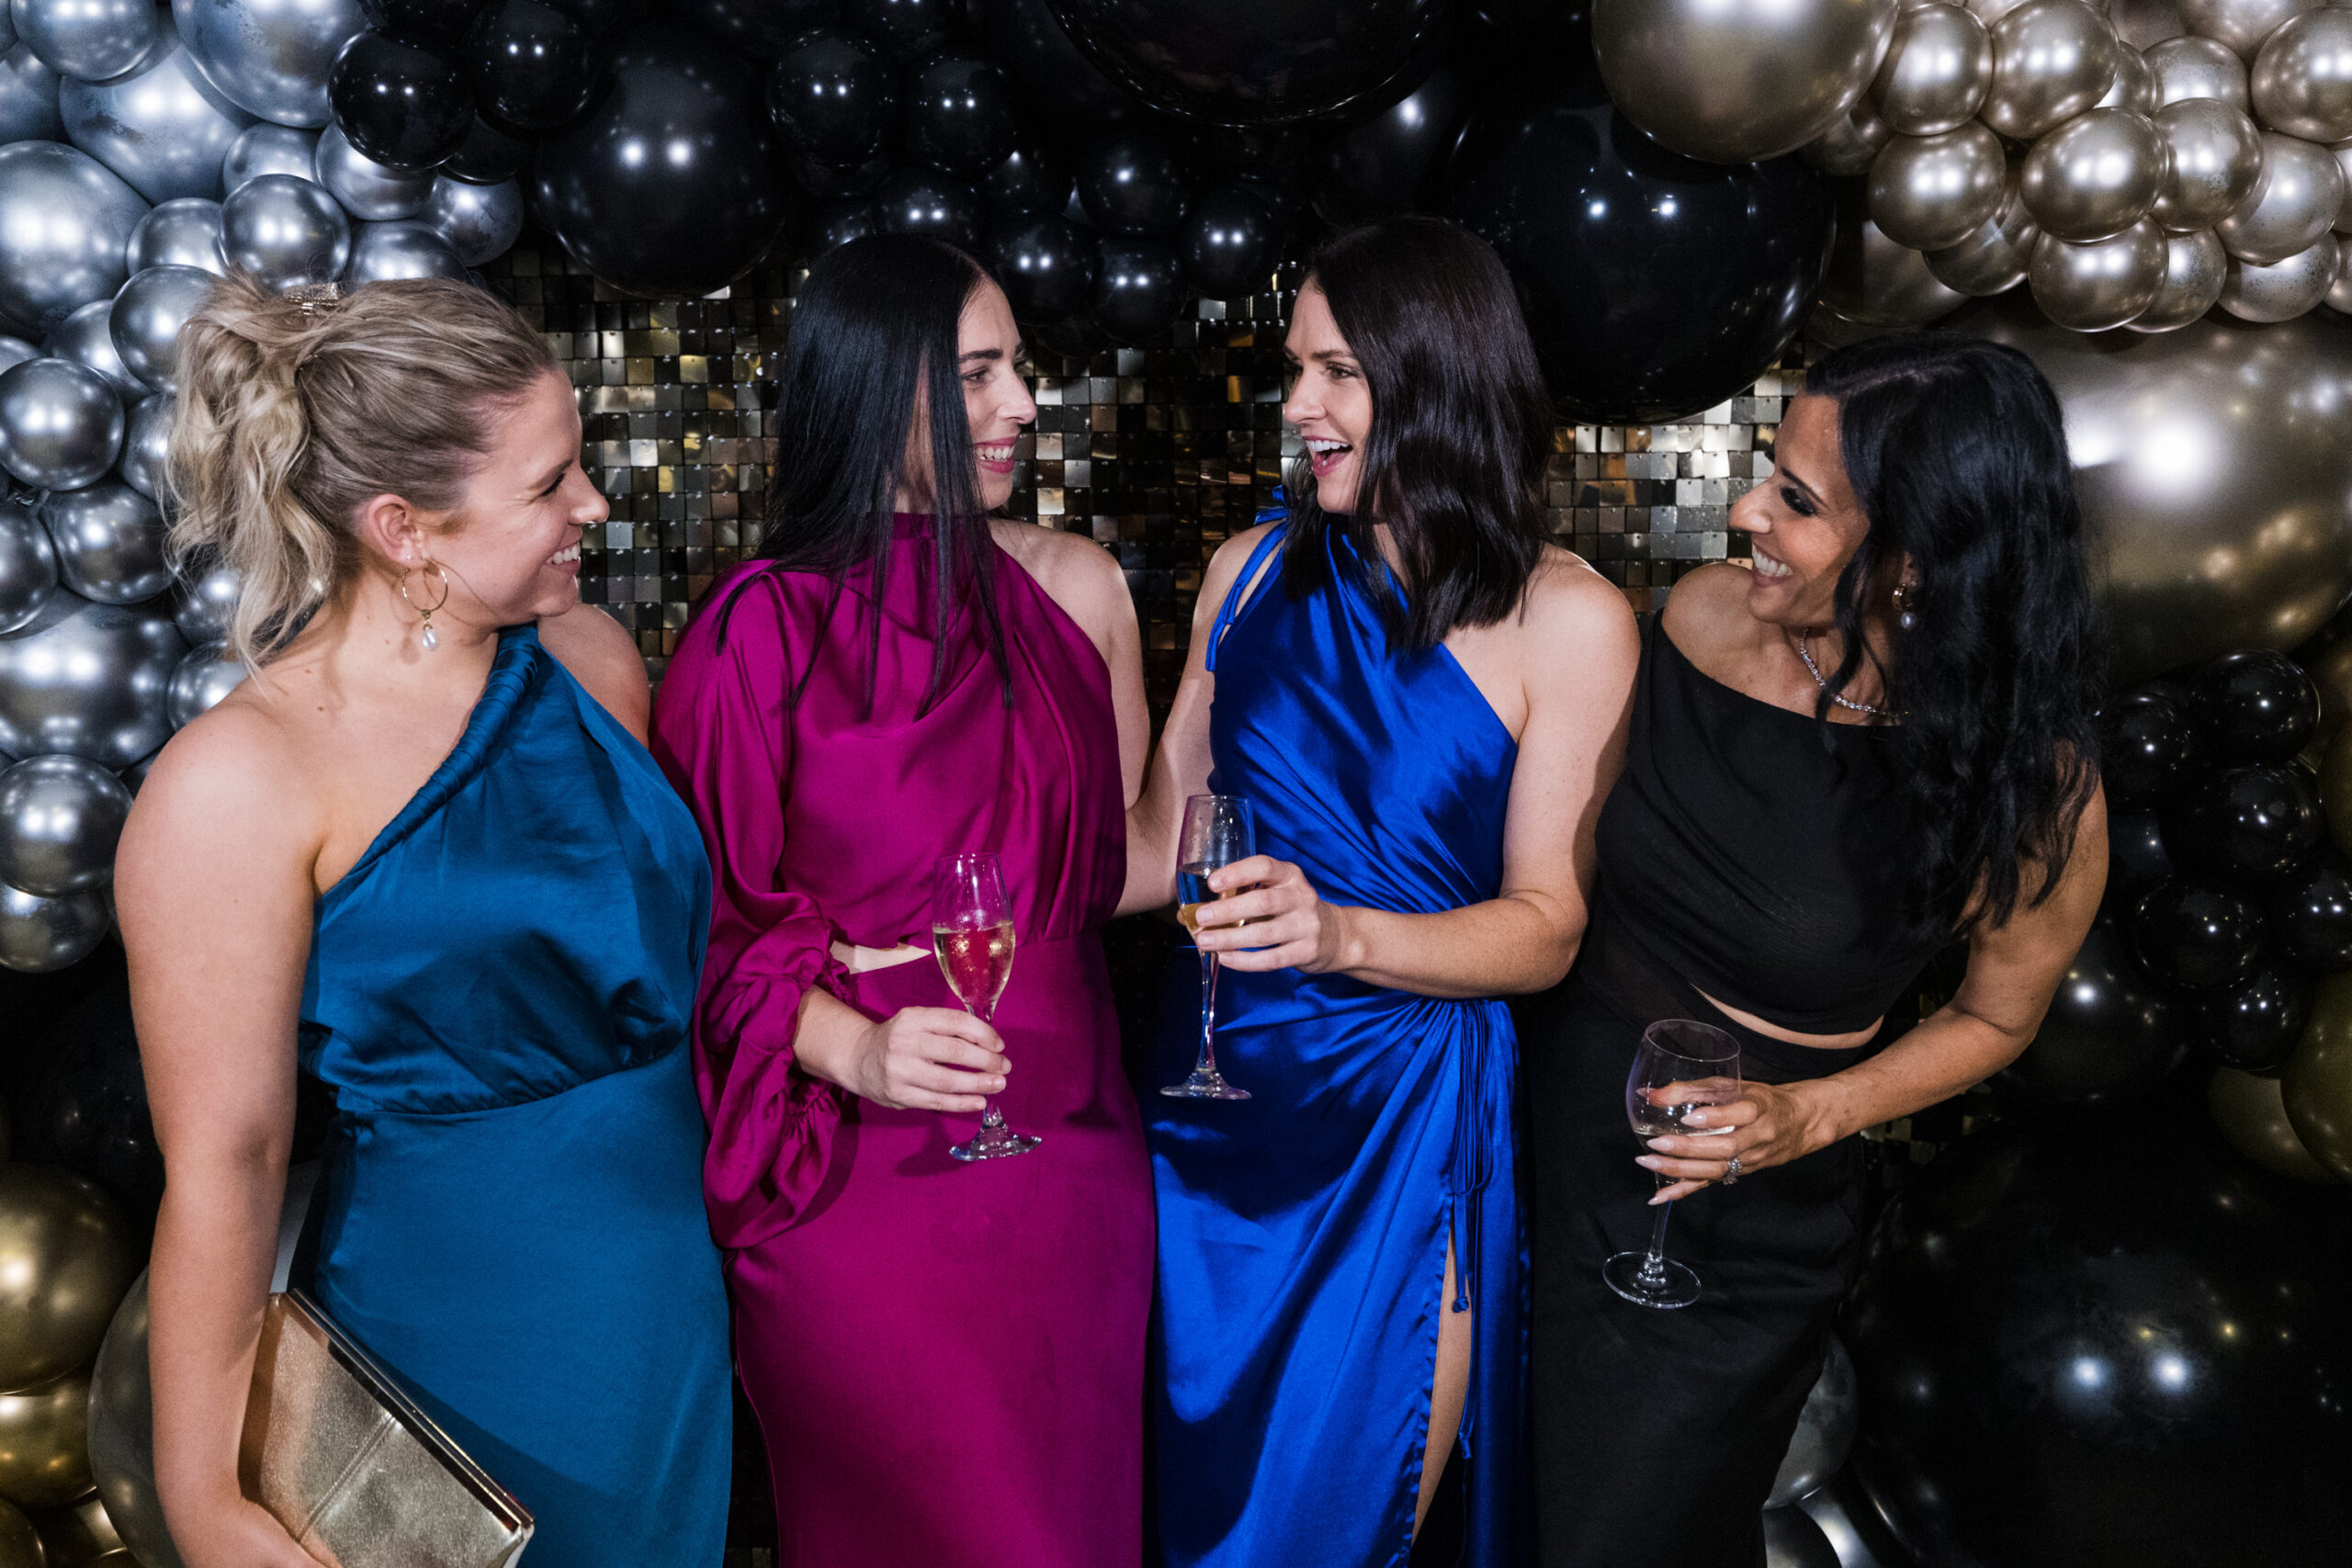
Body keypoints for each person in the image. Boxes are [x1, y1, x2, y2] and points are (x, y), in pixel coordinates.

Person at [114, 275, 732, 1568]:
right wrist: (207, 1502)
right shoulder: (239, 779)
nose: (593, 506)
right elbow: (226, 1161)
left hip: (667, 1319)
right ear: (404, 530)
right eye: (549, 484)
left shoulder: (595, 665)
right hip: (450, 1339)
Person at [1518, 335, 2109, 1568]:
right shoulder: (1697, 617)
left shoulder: (2030, 783)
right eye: (1765, 475)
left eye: (1796, 499)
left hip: (1738, 1221)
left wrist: (1811, 1116)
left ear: (1917, 556)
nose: (1747, 514)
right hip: (1541, 1142)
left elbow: (1999, 1019)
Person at [1136, 216, 1641, 1567]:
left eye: (1338, 372)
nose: (1298, 406)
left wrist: (1339, 932)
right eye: (1297, 371)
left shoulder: (1568, 618)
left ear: (1439, 374)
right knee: (1181, 1517)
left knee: (1334, 1522)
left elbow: (1547, 930)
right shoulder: (1248, 573)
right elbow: (1158, 843)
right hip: (1204, 1111)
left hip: (1397, 1124)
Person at [649, 234, 1156, 1568]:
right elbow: (691, 939)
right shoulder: (757, 630)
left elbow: (1110, 869)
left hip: (1074, 1166)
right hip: (866, 1175)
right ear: (881, 385)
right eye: (978, 373)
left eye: (1018, 369)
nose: (1023, 405)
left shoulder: (1074, 589)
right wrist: (852, 1045)